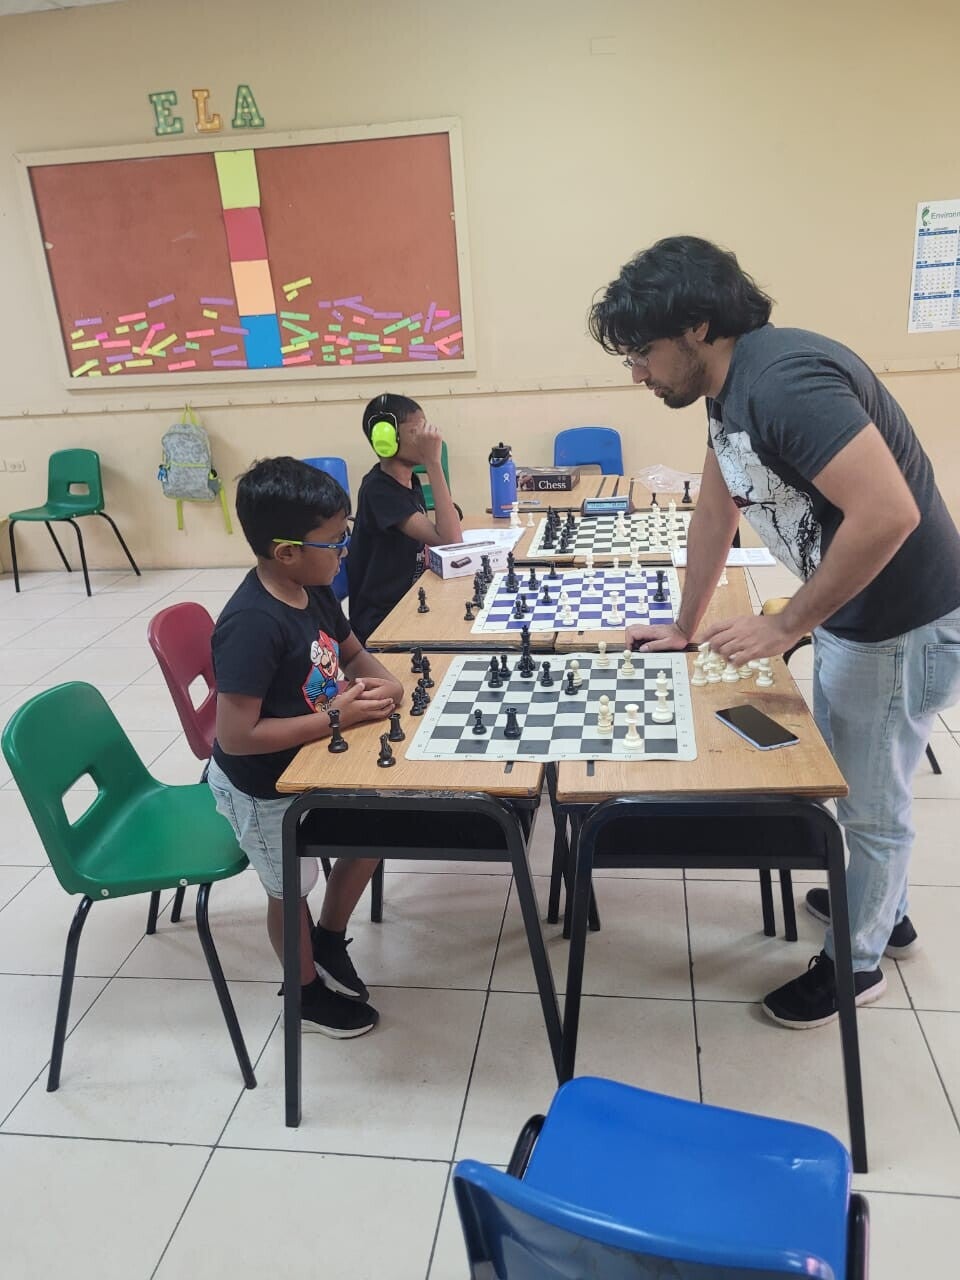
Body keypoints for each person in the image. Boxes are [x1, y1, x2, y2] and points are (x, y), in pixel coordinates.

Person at [588, 235, 960, 1029]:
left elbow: (888, 513)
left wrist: (788, 622)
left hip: (902, 624)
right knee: (852, 777)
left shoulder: (783, 382)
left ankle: (857, 965)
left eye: (643, 352)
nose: (638, 374)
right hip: (860, 617)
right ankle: (882, 908)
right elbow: (715, 510)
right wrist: (684, 626)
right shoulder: (728, 387)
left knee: (871, 806)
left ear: (696, 326)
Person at [207, 456, 404, 1037]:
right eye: (335, 540)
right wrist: (334, 716)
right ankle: (304, 993)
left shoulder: (312, 588)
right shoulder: (251, 624)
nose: (345, 550)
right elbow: (235, 736)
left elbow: (351, 651)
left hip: (310, 759)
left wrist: (388, 683)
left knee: (376, 829)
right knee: (291, 889)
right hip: (262, 785)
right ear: (286, 551)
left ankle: (328, 939)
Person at [347, 392, 463, 645]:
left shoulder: (411, 482)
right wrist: (433, 462)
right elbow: (450, 541)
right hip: (382, 623)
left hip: (410, 603)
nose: (427, 438)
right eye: (416, 431)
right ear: (386, 437)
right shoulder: (378, 491)